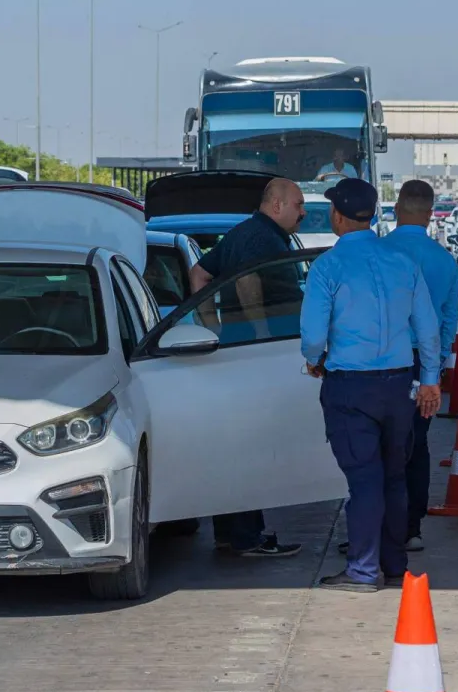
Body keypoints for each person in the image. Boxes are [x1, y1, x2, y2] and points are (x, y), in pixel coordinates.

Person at [302, 177, 442, 592]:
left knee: (364, 480)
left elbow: (312, 336)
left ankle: (362, 571)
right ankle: (394, 565)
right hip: (400, 386)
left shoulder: (328, 266)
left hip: (351, 388)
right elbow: (428, 330)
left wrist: (314, 362)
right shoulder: (403, 262)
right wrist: (430, 380)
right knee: (394, 477)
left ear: (338, 217)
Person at [187, 177, 307, 558]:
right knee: (251, 449)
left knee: (236, 447)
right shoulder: (260, 238)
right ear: (276, 205)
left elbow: (198, 275)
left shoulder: (242, 233)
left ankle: (233, 533)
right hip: (256, 356)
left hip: (236, 352)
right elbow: (248, 284)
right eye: (298, 205)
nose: (303, 213)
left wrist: (213, 328)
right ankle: (246, 537)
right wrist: (258, 334)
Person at [382, 180, 458, 553]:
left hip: (379, 363)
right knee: (417, 443)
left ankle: (378, 526)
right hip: (422, 364)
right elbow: (449, 322)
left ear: (396, 208)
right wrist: (437, 365)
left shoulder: (379, 253)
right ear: (430, 214)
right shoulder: (444, 260)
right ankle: (412, 527)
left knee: (379, 445)